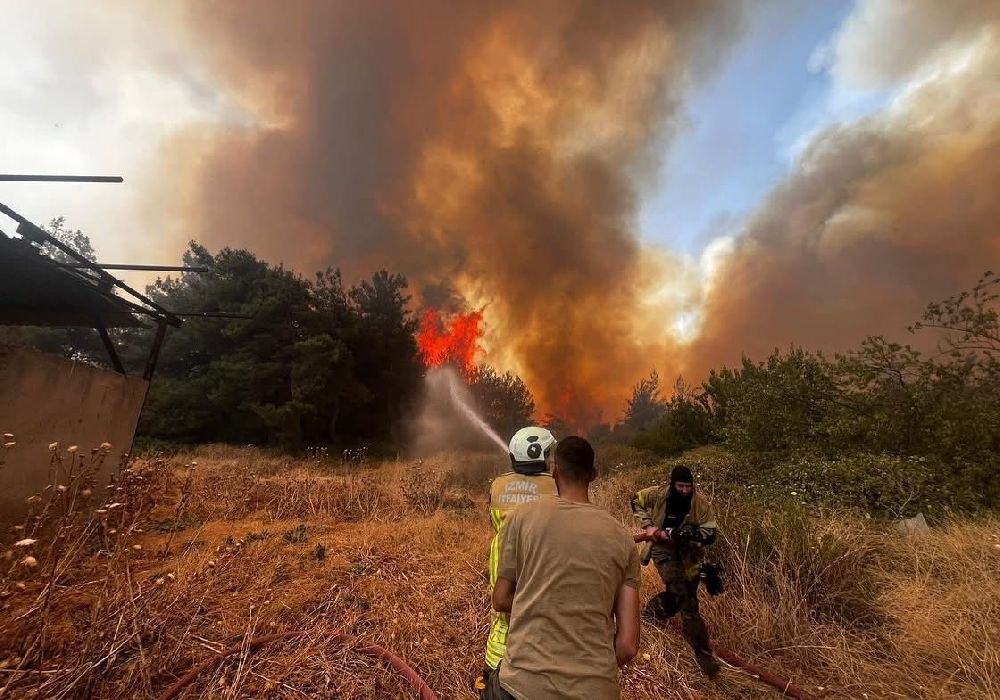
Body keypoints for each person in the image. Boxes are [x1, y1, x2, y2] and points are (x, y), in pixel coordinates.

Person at [486, 436, 641, 700]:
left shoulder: (522, 518)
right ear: (594, 474)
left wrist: (539, 603)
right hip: (595, 690)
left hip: (523, 686)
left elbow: (500, 599)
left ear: (554, 470)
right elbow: (627, 646)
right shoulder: (623, 539)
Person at [479, 426, 558, 695]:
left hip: (502, 560)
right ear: (544, 457)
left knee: (502, 619)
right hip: (540, 560)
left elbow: (493, 521)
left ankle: (493, 674)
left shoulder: (498, 485)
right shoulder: (555, 486)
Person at [631, 465, 720, 676]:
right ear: (673, 484)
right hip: (663, 551)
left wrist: (692, 535)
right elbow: (635, 500)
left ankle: (652, 613)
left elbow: (711, 532)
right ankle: (704, 656)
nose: (684, 490)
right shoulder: (658, 494)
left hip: (689, 555)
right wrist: (649, 526)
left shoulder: (700, 504)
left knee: (683, 593)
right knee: (686, 599)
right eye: (680, 486)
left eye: (688, 486)